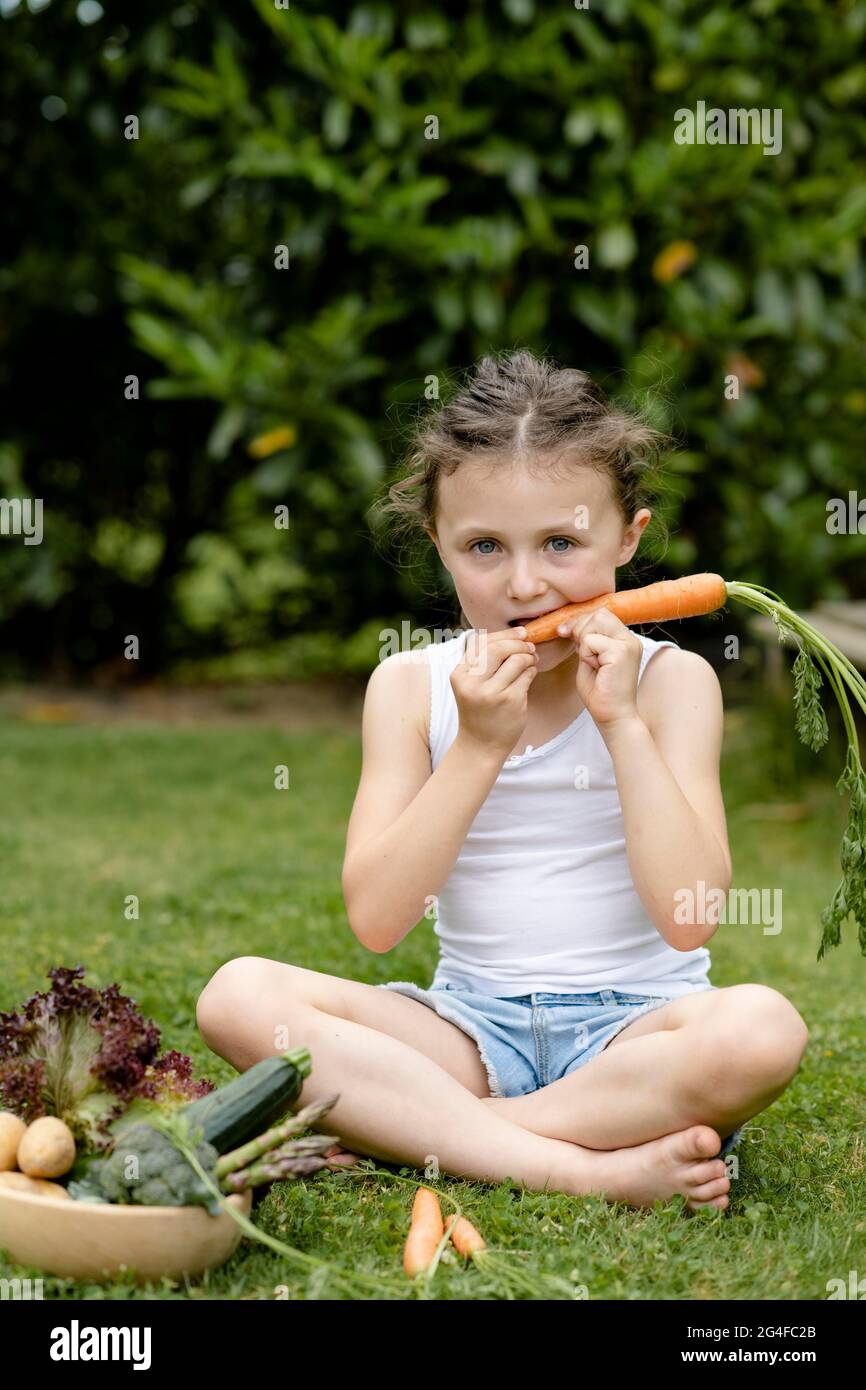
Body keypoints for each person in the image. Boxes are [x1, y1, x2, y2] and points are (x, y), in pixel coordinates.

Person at [196, 350, 808, 1211]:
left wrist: (620, 724)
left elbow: (690, 918)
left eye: (561, 543)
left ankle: (443, 1131)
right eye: (485, 546)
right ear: (440, 547)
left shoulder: (673, 685)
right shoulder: (409, 689)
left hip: (635, 1035)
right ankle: (577, 1163)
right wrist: (480, 749)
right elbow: (377, 920)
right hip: (469, 1030)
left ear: (628, 538)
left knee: (760, 1032)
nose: (524, 585)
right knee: (239, 996)